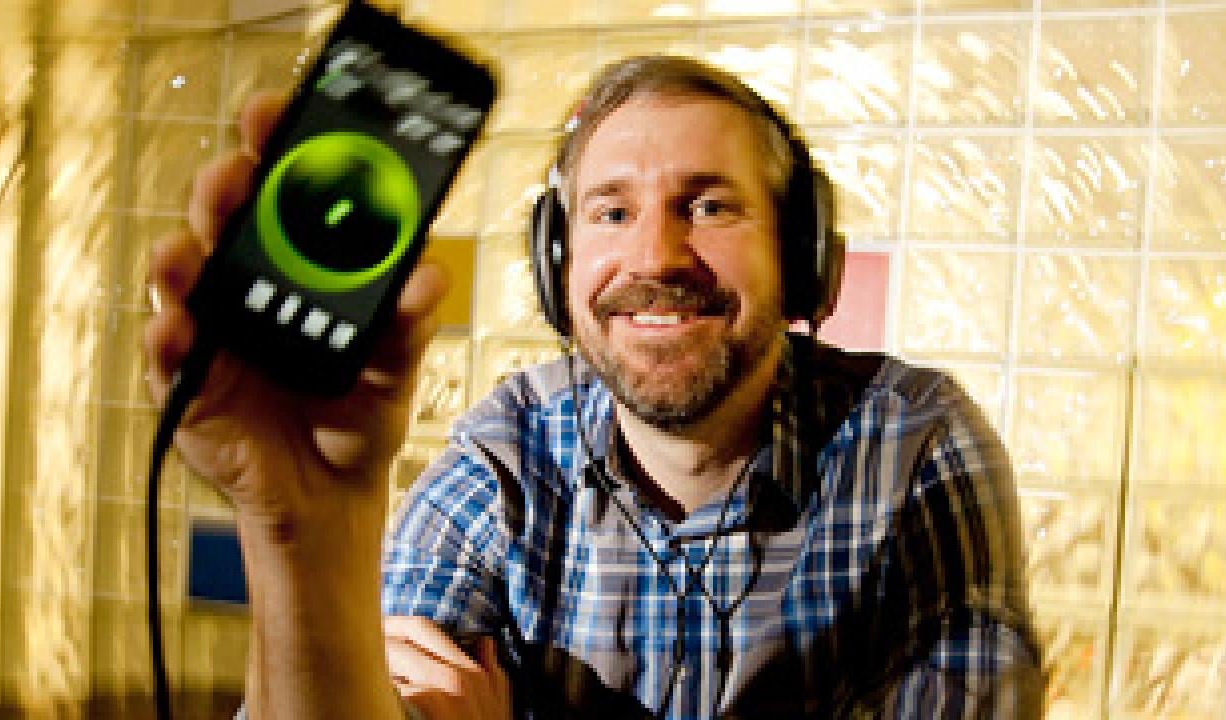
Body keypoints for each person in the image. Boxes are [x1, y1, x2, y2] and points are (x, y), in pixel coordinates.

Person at [145, 54, 1042, 720]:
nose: (654, 257)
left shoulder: (915, 445)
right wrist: (303, 530)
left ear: (802, 254)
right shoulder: (500, 466)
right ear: (556, 263)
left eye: (710, 205)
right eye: (612, 212)